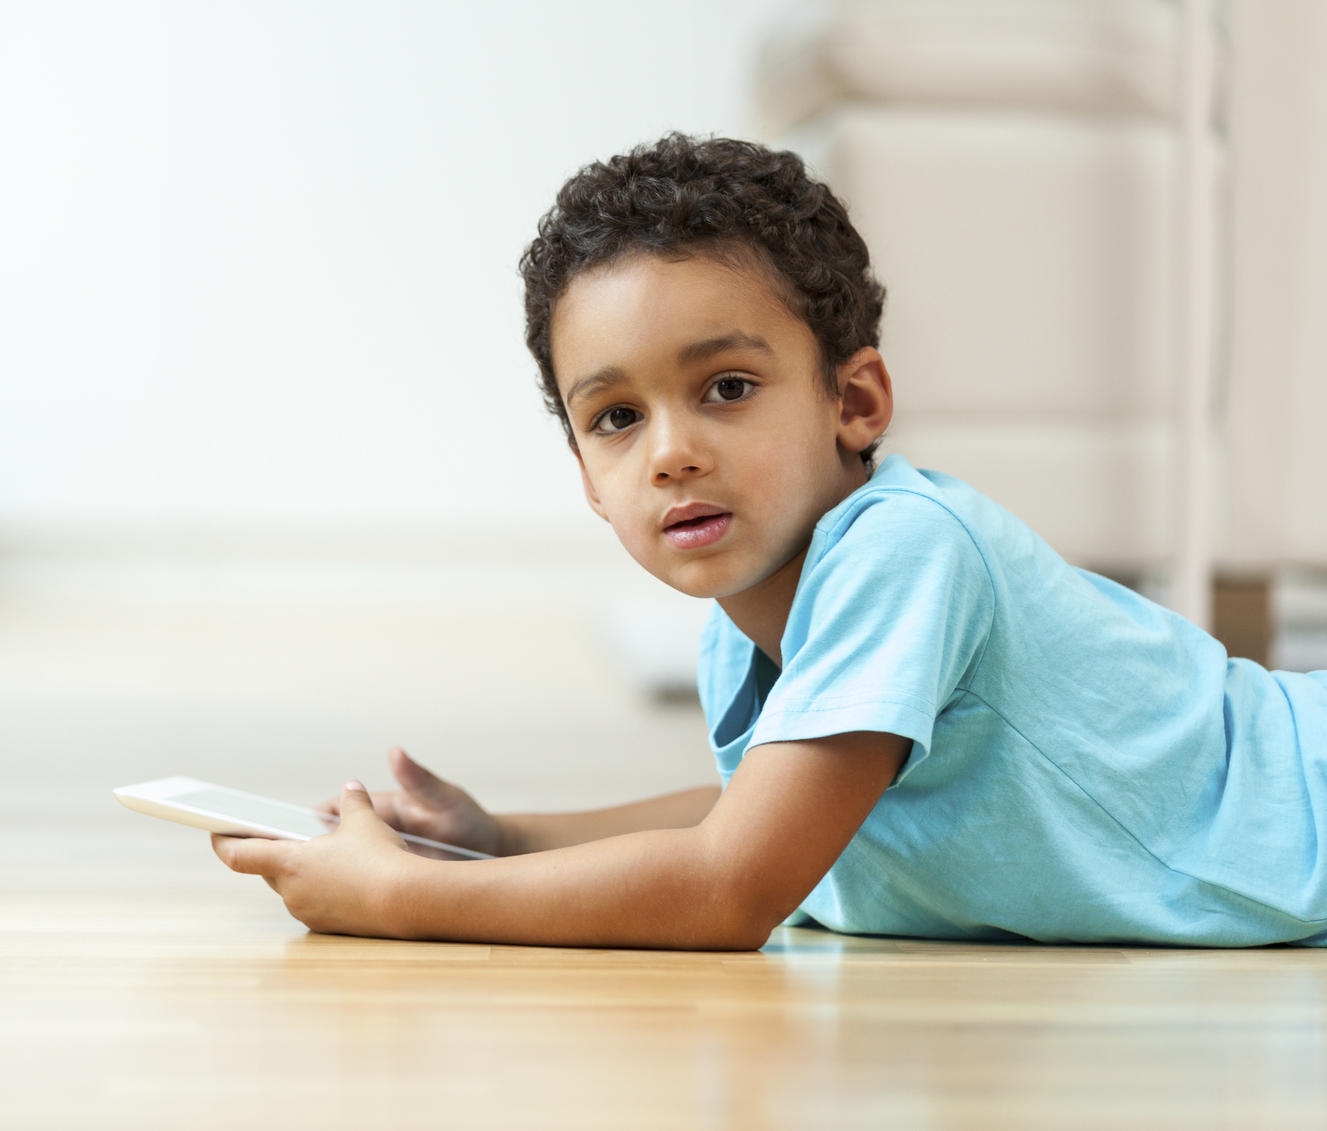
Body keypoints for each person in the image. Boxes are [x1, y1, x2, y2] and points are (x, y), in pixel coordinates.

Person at [213, 133, 1327, 950]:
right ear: (588, 483)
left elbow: (730, 885)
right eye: (615, 418)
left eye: (726, 388)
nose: (670, 452)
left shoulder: (904, 549)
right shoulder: (739, 626)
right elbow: (771, 810)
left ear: (855, 401)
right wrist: (499, 839)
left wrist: (403, 900)